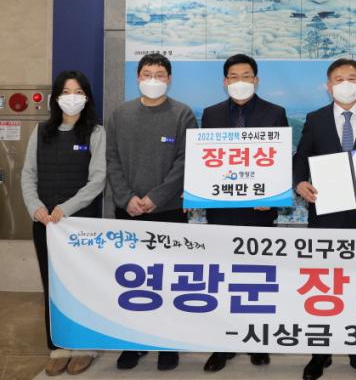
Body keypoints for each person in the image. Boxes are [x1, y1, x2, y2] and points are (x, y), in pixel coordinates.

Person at [293, 58, 356, 380]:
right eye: (338, 79)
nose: (345, 84)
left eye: (352, 78)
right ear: (328, 85)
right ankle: (320, 354)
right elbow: (301, 158)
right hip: (325, 217)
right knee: (323, 286)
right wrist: (299, 182)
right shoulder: (315, 118)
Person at [106, 53, 197, 371]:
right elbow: (112, 158)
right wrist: (126, 197)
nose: (153, 79)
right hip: (128, 211)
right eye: (147, 74)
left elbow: (186, 161)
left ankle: (167, 343)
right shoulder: (120, 114)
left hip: (169, 211)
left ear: (169, 79)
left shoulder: (182, 114)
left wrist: (157, 197)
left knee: (168, 279)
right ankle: (133, 342)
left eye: (160, 74)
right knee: (133, 279)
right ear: (137, 77)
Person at [200, 53, 288, 372]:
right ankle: (222, 344)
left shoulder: (275, 113)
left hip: (258, 211)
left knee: (257, 278)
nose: (241, 81)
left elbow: (281, 160)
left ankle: (257, 341)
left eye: (247, 76)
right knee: (222, 278)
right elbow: (205, 161)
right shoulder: (210, 114)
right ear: (225, 82)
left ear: (256, 80)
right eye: (234, 76)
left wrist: (273, 196)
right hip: (221, 212)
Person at [21, 70, 106, 376]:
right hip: (45, 224)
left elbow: (97, 180)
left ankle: (84, 347)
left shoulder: (96, 132)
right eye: (66, 92)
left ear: (87, 97)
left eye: (78, 92)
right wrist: (36, 208)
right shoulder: (41, 131)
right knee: (52, 285)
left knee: (82, 284)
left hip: (80, 224)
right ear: (56, 97)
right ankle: (58, 346)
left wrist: (65, 209)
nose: (72, 98)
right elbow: (28, 174)